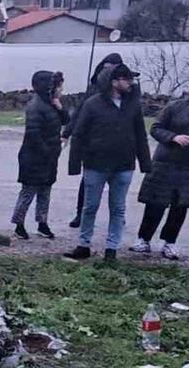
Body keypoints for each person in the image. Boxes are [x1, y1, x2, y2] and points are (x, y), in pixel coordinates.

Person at [64, 64, 151, 262]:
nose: (130, 83)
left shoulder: (133, 105)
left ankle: (112, 249)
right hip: (96, 164)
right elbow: (79, 134)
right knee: (90, 207)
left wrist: (145, 163)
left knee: (118, 208)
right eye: (126, 79)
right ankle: (83, 245)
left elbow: (140, 135)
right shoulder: (92, 104)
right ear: (114, 82)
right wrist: (74, 164)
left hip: (124, 165)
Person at [132, 72, 189, 260]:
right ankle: (143, 239)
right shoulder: (175, 107)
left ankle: (169, 242)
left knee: (180, 206)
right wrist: (174, 137)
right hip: (166, 163)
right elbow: (155, 128)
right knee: (155, 203)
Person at [64, 52, 126, 228]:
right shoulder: (93, 89)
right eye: (106, 68)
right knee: (89, 181)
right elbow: (79, 113)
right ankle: (80, 214)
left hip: (118, 145)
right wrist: (67, 133)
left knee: (118, 183)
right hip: (94, 145)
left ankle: (118, 215)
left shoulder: (126, 92)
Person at [12, 70, 69, 240]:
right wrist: (47, 152)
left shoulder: (52, 103)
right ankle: (19, 224)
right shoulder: (35, 106)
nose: (61, 90)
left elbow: (66, 121)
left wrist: (60, 107)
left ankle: (42, 223)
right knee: (28, 192)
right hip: (33, 157)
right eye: (59, 86)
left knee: (45, 191)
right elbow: (33, 134)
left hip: (50, 155)